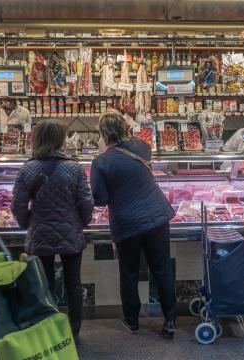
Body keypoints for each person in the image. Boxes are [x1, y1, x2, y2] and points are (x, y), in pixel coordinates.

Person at [90, 110, 177, 337]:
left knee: (129, 272)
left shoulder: (100, 161)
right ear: (124, 128)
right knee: (162, 269)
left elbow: (99, 199)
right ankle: (170, 320)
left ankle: (132, 322)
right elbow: (138, 152)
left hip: (127, 222)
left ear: (102, 134)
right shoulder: (142, 147)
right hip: (157, 216)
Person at [11, 120, 94, 339]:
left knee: (45, 284)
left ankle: (49, 330)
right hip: (70, 232)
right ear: (60, 140)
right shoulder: (74, 167)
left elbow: (17, 205)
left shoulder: (28, 168)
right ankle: (73, 332)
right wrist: (80, 223)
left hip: (40, 233)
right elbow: (86, 203)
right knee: (73, 284)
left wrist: (27, 222)